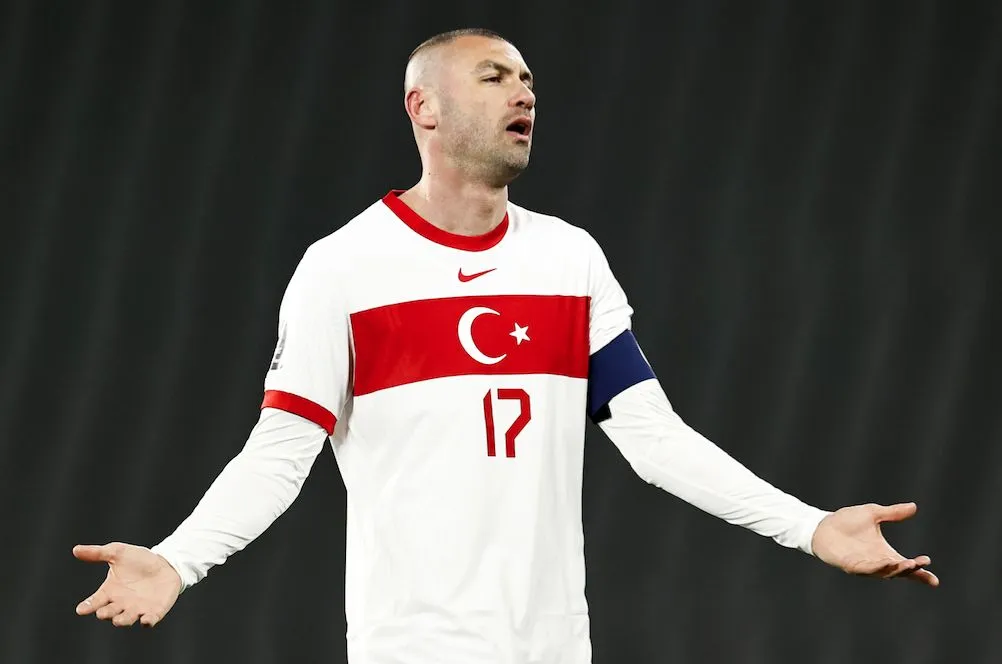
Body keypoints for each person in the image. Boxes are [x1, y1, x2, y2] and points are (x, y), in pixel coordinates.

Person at [73, 28, 938, 662]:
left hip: (556, 646)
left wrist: (810, 527)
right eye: (494, 77)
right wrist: (177, 561)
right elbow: (280, 453)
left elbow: (654, 438)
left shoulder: (569, 258)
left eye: (527, 80)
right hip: (413, 648)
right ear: (423, 108)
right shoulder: (344, 267)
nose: (523, 93)